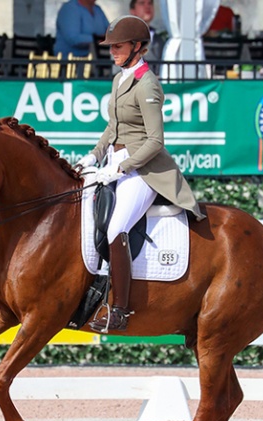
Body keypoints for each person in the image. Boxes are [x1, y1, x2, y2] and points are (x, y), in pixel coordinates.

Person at [75, 15, 205, 333]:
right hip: (114, 163)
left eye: (117, 46)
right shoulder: (120, 79)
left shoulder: (147, 84)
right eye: (111, 46)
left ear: (137, 47)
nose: (112, 51)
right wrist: (93, 156)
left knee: (116, 227)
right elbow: (113, 127)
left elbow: (155, 140)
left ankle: (119, 309)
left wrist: (124, 165)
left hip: (144, 170)